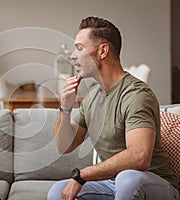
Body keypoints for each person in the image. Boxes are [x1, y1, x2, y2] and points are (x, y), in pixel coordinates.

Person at [48, 16, 179, 200]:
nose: (73, 55)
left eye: (79, 48)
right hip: (112, 184)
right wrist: (65, 107)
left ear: (102, 51)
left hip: (154, 184)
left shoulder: (136, 94)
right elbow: (64, 146)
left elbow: (140, 156)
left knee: (129, 179)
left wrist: (83, 175)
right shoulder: (92, 97)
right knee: (57, 192)